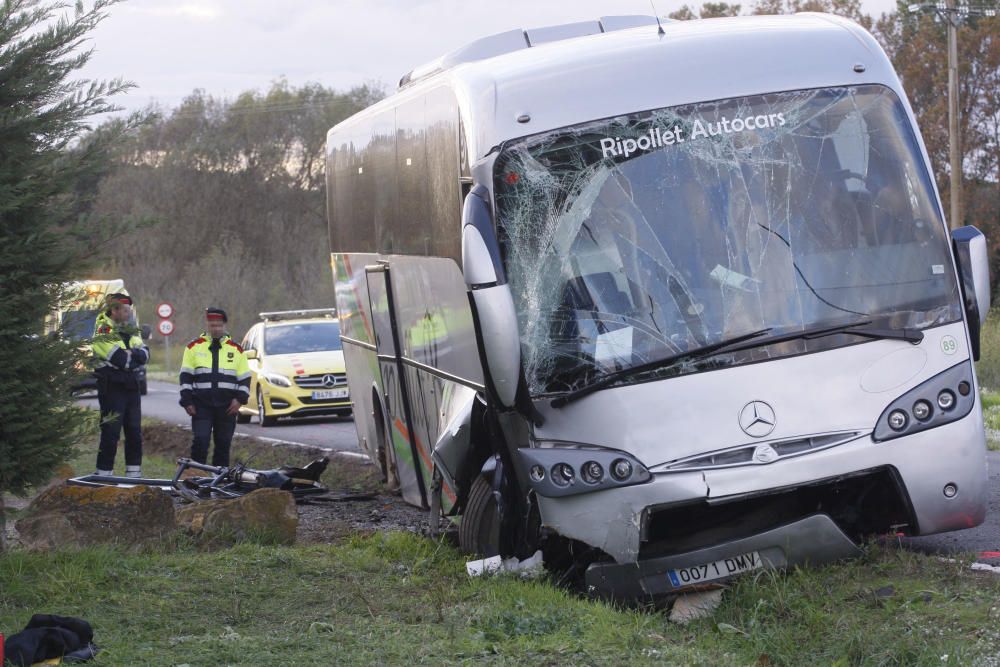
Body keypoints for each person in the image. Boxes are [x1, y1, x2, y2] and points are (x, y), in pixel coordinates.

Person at [178, 308, 251, 467]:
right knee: (200, 442)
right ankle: (196, 479)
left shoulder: (236, 350)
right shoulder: (193, 347)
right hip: (201, 405)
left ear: (224, 325)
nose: (216, 328)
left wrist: (239, 400)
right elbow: (185, 377)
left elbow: (245, 379)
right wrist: (187, 400)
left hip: (227, 407)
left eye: (219, 325)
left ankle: (220, 483)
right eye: (212, 325)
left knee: (223, 446)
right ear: (207, 325)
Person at [91, 293, 148, 477]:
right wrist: (133, 355)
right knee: (111, 432)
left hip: (131, 387)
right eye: (125, 311)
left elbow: (145, 355)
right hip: (112, 388)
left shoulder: (130, 329)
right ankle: (104, 474)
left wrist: (132, 355)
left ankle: (134, 475)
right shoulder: (103, 331)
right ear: (114, 310)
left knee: (134, 432)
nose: (129, 314)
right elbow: (121, 360)